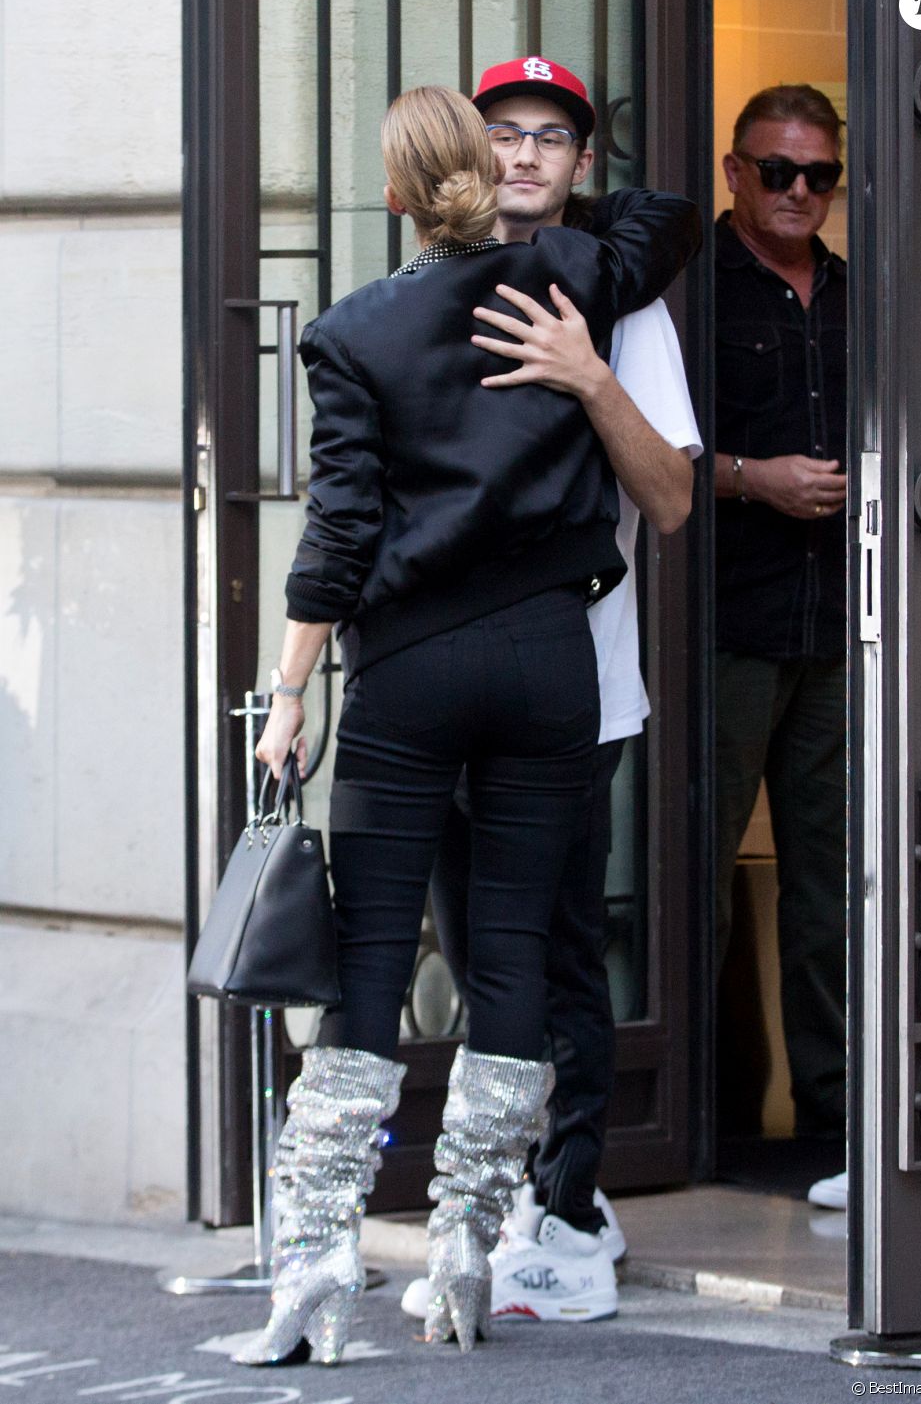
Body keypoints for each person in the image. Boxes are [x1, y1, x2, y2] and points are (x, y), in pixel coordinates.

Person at [234, 84, 700, 1368]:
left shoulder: (353, 333)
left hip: (414, 672)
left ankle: (316, 1269)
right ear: (483, 180)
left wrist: (285, 698)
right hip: (549, 662)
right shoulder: (565, 279)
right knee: (509, 959)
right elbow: (662, 220)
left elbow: (336, 538)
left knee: (372, 961)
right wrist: (555, 209)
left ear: (390, 197)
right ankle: (464, 1253)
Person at [398, 56, 702, 1326]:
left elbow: (674, 499)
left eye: (550, 137)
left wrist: (587, 377)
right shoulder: (417, 299)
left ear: (581, 166)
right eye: (501, 132)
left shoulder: (621, 307)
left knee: (560, 953)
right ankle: (522, 1184)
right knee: (476, 955)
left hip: (578, 690)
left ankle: (571, 1216)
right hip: (437, 690)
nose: (523, 153)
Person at [712, 85, 848, 1208]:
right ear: (732, 173)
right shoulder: (684, 287)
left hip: (844, 625)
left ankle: (838, 1128)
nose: (797, 193)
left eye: (818, 176)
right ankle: (700, 1120)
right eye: (776, 172)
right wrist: (750, 480)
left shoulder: (861, 292)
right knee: (695, 878)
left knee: (832, 884)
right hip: (723, 622)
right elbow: (646, 443)